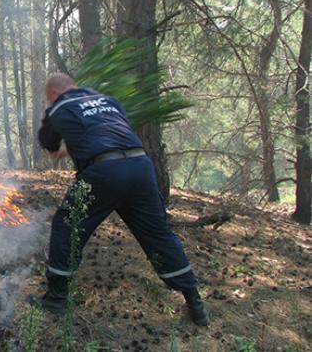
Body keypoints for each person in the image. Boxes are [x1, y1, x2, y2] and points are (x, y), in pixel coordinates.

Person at [29, 72, 210, 326]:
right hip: (140, 167)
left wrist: (56, 146)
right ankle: (195, 303)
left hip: (103, 173)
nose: (50, 103)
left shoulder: (61, 106)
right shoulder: (109, 101)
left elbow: (47, 142)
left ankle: (56, 299)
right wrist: (73, 146)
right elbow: (106, 132)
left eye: (49, 99)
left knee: (67, 225)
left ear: (55, 94)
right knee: (158, 234)